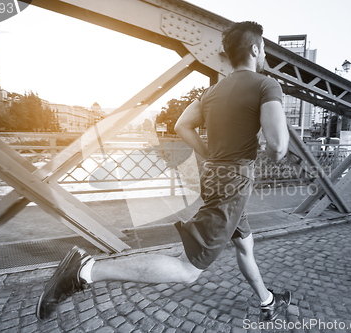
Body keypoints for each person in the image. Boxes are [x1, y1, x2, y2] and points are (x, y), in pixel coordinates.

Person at [36, 21, 290, 322]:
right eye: (263, 51)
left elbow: (181, 125)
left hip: (213, 176)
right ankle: (86, 270)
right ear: (255, 49)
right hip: (234, 182)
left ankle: (267, 300)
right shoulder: (266, 85)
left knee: (244, 244)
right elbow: (277, 147)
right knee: (188, 269)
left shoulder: (212, 92)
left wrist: (212, 155)